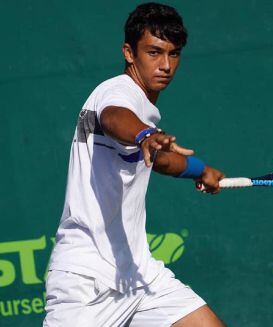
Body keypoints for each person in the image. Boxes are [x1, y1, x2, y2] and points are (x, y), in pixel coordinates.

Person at [43, 3, 226, 326]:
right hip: (87, 282)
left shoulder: (143, 108)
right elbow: (114, 117)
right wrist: (144, 135)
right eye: (154, 53)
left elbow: (163, 160)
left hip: (139, 274)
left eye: (174, 54)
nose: (166, 65)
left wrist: (200, 170)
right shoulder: (117, 92)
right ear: (129, 53)